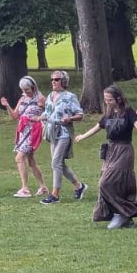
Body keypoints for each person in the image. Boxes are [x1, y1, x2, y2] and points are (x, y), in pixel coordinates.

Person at [75, 85, 137, 228]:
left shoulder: (128, 112)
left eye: (109, 99)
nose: (107, 102)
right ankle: (124, 216)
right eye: (105, 99)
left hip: (124, 151)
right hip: (111, 151)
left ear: (118, 98)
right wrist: (82, 136)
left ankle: (123, 213)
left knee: (106, 183)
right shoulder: (109, 113)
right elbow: (97, 127)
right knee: (112, 183)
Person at [40, 70, 86, 204]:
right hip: (52, 132)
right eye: (52, 79)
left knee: (55, 163)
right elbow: (47, 113)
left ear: (64, 81)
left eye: (56, 79)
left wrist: (69, 118)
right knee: (59, 163)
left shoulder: (70, 96)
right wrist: (38, 118)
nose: (53, 82)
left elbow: (80, 114)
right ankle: (79, 186)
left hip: (64, 132)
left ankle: (55, 195)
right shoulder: (50, 96)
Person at [1, 76, 48, 197]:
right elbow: (15, 115)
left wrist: (40, 121)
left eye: (28, 89)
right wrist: (7, 106)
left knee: (19, 158)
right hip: (23, 131)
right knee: (31, 161)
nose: (26, 92)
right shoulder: (22, 99)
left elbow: (48, 113)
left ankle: (25, 188)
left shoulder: (41, 98)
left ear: (33, 87)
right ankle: (43, 186)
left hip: (33, 131)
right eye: (24, 90)